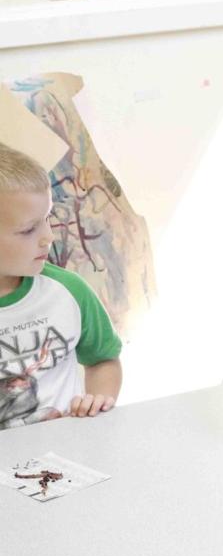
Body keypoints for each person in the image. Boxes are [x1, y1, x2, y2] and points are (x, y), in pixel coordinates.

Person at [0, 143, 122, 428]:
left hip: (64, 457)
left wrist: (98, 401)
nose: (48, 237)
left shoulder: (69, 291)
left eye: (47, 219)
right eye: (29, 229)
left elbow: (103, 360)